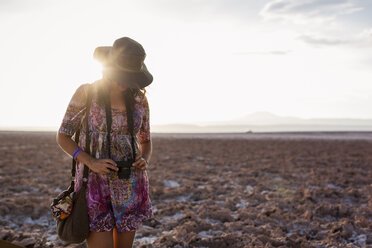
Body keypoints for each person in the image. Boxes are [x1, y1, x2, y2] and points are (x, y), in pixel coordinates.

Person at [56, 37, 153, 248]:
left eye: (129, 78)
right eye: (119, 76)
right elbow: (63, 136)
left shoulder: (139, 100)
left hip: (131, 185)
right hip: (94, 185)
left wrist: (144, 159)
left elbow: (145, 140)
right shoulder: (87, 93)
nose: (123, 83)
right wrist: (90, 161)